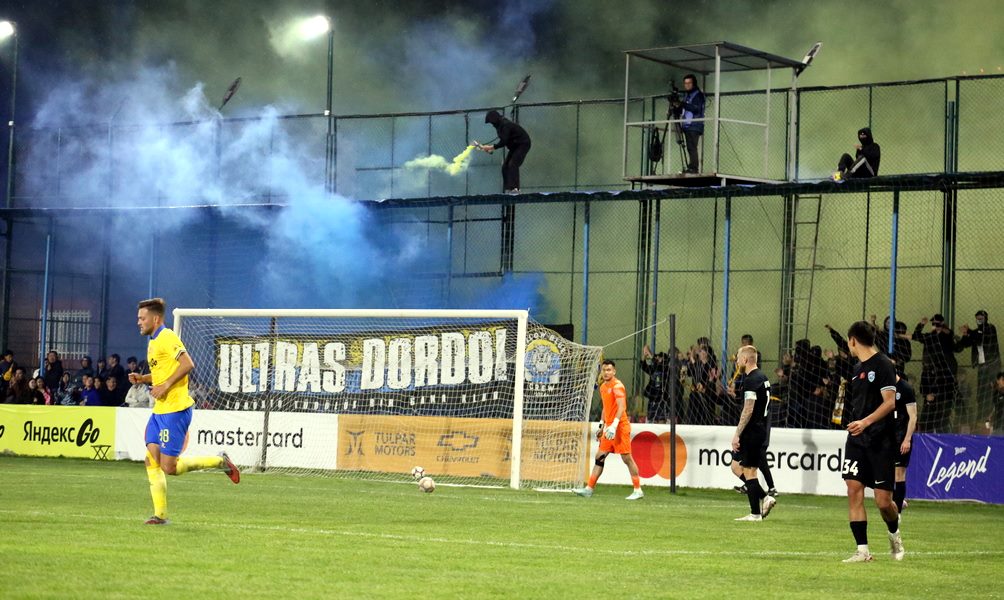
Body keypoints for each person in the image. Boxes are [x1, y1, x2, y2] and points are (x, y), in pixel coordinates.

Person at [132, 297, 239, 525]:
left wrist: (165, 386)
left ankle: (219, 461)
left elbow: (188, 364)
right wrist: (144, 378)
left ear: (155, 318)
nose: (138, 322)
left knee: (169, 467)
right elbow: (163, 373)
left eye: (142, 318)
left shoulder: (167, 336)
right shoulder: (153, 342)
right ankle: (160, 516)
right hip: (160, 411)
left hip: (175, 410)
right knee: (151, 460)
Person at [841, 321, 903, 563]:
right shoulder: (857, 369)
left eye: (848, 342)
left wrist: (866, 422)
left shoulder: (884, 364)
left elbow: (890, 402)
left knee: (883, 502)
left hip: (881, 440)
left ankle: (894, 532)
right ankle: (862, 551)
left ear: (853, 340)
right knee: (853, 489)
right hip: (857, 439)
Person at [574, 360, 643, 500]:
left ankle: (638, 490)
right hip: (609, 428)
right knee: (599, 456)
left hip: (620, 427)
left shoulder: (617, 386)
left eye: (609, 370)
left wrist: (614, 425)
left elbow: (621, 407)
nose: (606, 373)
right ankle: (589, 489)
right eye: (604, 370)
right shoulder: (603, 387)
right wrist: (602, 425)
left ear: (614, 371)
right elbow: (606, 408)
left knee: (627, 458)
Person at [730, 345, 778, 521]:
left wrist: (737, 433)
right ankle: (764, 498)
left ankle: (756, 513)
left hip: (752, 431)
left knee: (750, 472)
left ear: (745, 359)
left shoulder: (751, 380)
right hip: (758, 429)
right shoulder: (762, 377)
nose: (737, 362)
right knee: (736, 467)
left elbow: (748, 409)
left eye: (738, 358)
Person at [954, 310, 1000, 430]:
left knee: (992, 391)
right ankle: (981, 418)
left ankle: (993, 418)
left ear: (986, 318)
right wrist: (965, 335)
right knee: (981, 393)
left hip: (991, 366)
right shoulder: (975, 333)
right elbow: (967, 343)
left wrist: (969, 331)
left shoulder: (990, 328)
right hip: (981, 367)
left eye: (981, 318)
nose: (979, 320)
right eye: (977, 318)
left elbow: (981, 337)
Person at [913, 314, 958, 432]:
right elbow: (916, 336)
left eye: (938, 323)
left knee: (942, 414)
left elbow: (951, 337)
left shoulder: (946, 336)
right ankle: (926, 433)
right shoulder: (929, 337)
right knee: (928, 412)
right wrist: (921, 324)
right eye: (933, 324)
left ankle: (942, 434)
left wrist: (943, 329)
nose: (935, 326)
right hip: (930, 374)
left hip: (944, 376)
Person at [475, 110, 531, 194]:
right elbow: (504, 140)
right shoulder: (500, 126)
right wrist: (491, 148)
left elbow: (504, 141)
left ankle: (515, 189)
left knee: (513, 164)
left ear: (495, 120)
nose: (492, 125)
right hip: (514, 146)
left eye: (492, 122)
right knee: (505, 167)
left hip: (522, 144)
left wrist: (491, 147)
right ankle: (508, 189)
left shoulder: (505, 125)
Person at [893, 375, 918, 515]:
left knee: (899, 473)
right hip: (887, 437)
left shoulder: (905, 388)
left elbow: (913, 417)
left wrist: (907, 439)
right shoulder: (885, 387)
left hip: (902, 437)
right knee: (883, 473)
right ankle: (898, 499)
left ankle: (897, 512)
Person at [674, 74, 705, 174]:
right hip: (688, 125)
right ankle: (691, 167)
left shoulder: (698, 95)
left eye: (689, 83)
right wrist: (677, 106)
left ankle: (693, 168)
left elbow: (696, 108)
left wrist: (682, 104)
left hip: (694, 124)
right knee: (690, 147)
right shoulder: (687, 95)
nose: (687, 85)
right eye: (685, 83)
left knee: (692, 147)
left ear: (694, 83)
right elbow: (683, 109)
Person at [640, 345, 671, 423]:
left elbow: (660, 366)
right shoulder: (654, 368)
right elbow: (643, 366)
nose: (657, 359)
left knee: (661, 419)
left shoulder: (666, 368)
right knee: (651, 418)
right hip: (653, 397)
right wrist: (645, 355)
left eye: (659, 358)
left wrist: (649, 353)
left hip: (662, 398)